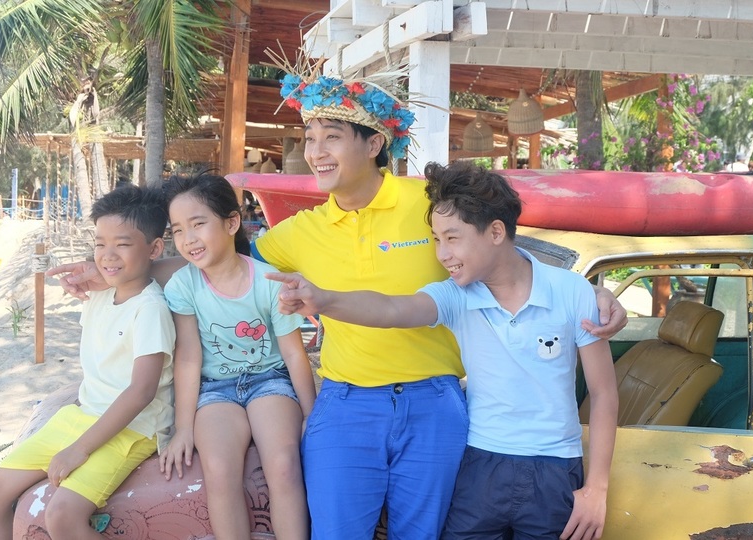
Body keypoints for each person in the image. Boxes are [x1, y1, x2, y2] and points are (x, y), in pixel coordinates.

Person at [47, 64, 628, 539]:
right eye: (309, 139)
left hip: (435, 403)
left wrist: (594, 294)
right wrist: (112, 269)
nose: (316, 152)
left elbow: (502, 247)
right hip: (347, 403)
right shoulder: (299, 233)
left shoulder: (426, 204)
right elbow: (218, 258)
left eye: (331, 137)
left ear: (374, 143)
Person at [268, 160, 618, 540]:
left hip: (555, 468)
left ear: (496, 231)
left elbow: (602, 393)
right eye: (436, 239)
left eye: (452, 238)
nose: (442, 254)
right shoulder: (457, 296)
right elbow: (391, 310)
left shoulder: (573, 292)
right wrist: (324, 300)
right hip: (479, 464)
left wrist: (597, 488)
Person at [0, 185, 176, 540]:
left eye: (123, 244)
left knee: (62, 515)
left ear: (155, 249)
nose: (107, 255)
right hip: (82, 414)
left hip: (132, 428)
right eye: (100, 244)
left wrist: (78, 450)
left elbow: (141, 391)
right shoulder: (99, 295)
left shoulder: (150, 309)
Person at [157, 173, 314, 540]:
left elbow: (293, 353)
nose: (188, 239)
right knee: (218, 467)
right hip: (215, 390)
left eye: (198, 224)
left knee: (284, 464)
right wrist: (183, 428)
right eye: (178, 230)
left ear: (231, 223)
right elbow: (189, 358)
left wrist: (311, 414)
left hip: (270, 382)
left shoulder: (269, 281)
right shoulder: (183, 285)